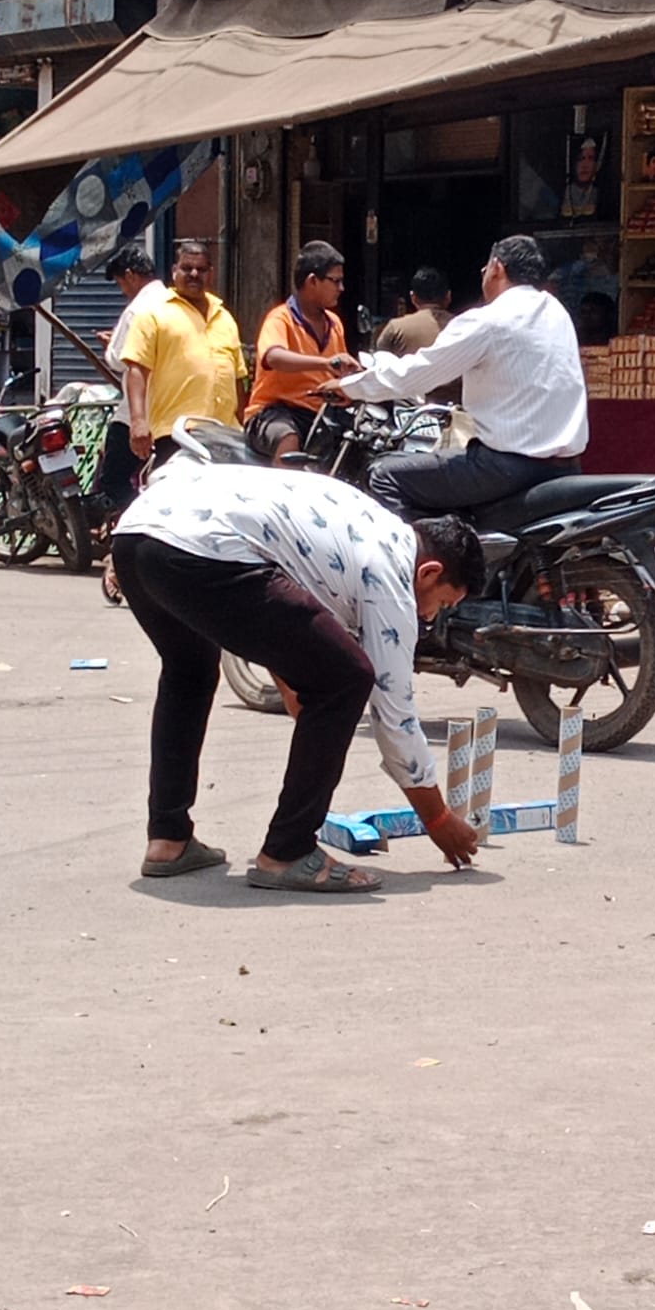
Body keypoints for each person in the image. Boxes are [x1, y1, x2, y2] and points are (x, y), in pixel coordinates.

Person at [112, 458, 485, 891]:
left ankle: (168, 839)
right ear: (430, 572)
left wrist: (291, 678)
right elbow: (394, 714)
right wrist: (437, 819)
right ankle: (287, 851)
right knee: (347, 677)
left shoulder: (363, 521)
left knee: (188, 672)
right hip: (203, 548)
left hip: (138, 535)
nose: (430, 616)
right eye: (441, 603)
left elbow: (279, 593)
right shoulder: (390, 576)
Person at [330, 235, 588, 520]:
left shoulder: (489, 320)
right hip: (565, 465)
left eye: (485, 267)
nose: (482, 274)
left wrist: (349, 388)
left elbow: (420, 373)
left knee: (383, 474)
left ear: (497, 268)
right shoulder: (556, 312)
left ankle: (415, 561)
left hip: (505, 468)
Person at [121, 239, 247, 469]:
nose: (194, 274)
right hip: (178, 432)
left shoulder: (225, 317)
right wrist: (138, 422)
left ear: (211, 273)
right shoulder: (153, 314)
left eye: (201, 269)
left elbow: (237, 379)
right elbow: (136, 370)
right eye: (186, 268)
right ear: (174, 271)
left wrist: (246, 424)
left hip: (226, 435)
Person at [244, 240, 360, 464]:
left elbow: (340, 373)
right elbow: (274, 357)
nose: (341, 288)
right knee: (287, 437)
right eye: (335, 281)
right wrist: (325, 363)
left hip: (321, 417)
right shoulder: (280, 318)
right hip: (274, 413)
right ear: (312, 281)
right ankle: (284, 496)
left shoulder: (335, 323)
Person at [97, 243, 166, 513]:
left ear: (131, 275)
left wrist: (110, 345)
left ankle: (141, 521)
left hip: (137, 413)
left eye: (120, 284)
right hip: (169, 408)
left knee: (114, 479)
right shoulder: (174, 303)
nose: (123, 291)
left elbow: (120, 359)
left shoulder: (138, 310)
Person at [376, 265, 454, 358]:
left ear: (413, 298)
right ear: (448, 296)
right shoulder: (465, 327)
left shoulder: (396, 327)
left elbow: (379, 362)